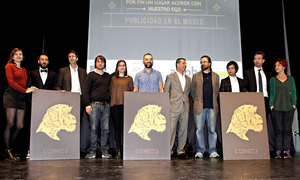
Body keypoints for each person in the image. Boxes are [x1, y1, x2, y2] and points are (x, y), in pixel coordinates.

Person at [3, 48, 37, 160]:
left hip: (21, 98)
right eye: (16, 54)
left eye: (20, 54)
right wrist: (25, 90)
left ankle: (10, 148)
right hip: (11, 96)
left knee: (20, 125)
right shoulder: (9, 67)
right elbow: (11, 82)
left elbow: (23, 85)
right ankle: (8, 150)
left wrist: (29, 88)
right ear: (12, 57)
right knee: (10, 124)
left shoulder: (24, 70)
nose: (18, 56)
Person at [82, 55, 111, 159]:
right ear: (95, 63)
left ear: (104, 64)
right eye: (98, 62)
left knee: (106, 129)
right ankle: (92, 151)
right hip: (94, 105)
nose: (100, 63)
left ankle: (105, 151)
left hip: (106, 106)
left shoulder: (108, 76)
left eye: (102, 62)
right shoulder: (90, 75)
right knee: (93, 129)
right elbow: (85, 91)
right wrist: (87, 104)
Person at [191, 55, 220, 158]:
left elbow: (216, 91)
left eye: (204, 62)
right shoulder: (195, 76)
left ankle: (212, 150)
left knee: (212, 130)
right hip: (199, 107)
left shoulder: (216, 76)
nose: (202, 64)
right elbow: (193, 91)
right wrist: (198, 101)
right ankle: (200, 150)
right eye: (201, 62)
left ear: (209, 63)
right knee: (199, 130)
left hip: (212, 107)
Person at [269, 58, 297, 159]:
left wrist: (294, 104)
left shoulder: (290, 79)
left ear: (284, 67)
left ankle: (287, 151)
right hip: (276, 108)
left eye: (279, 65)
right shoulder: (273, 79)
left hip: (288, 108)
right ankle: (278, 151)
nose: (277, 67)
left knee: (287, 130)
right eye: (276, 66)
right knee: (278, 130)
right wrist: (271, 105)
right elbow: (272, 93)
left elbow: (293, 92)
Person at [164, 58, 191, 159]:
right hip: (173, 107)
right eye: (183, 63)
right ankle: (169, 151)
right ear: (177, 65)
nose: (185, 65)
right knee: (171, 130)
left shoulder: (188, 78)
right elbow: (166, 92)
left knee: (183, 130)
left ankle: (181, 150)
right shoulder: (170, 77)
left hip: (185, 107)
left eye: (185, 63)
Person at [110, 60, 134, 159]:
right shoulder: (113, 79)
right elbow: (110, 90)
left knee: (125, 128)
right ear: (117, 67)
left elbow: (132, 91)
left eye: (123, 65)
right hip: (115, 105)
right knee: (117, 128)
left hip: (126, 105)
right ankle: (118, 150)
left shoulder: (129, 79)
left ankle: (126, 149)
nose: (122, 67)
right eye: (120, 66)